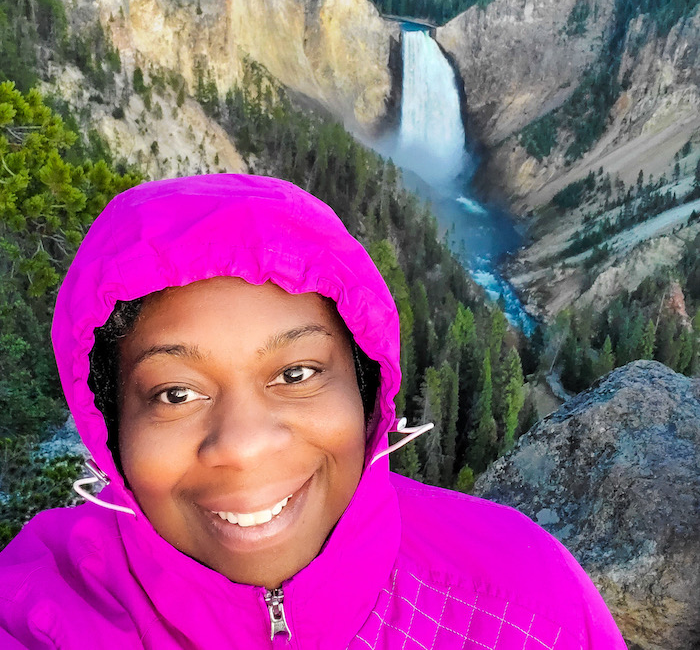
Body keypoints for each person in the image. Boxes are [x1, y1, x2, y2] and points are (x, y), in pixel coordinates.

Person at [0, 174, 627, 648]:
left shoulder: (521, 599)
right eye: (176, 393)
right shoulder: (43, 610)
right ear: (111, 427)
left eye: (295, 374)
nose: (243, 445)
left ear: (364, 389)